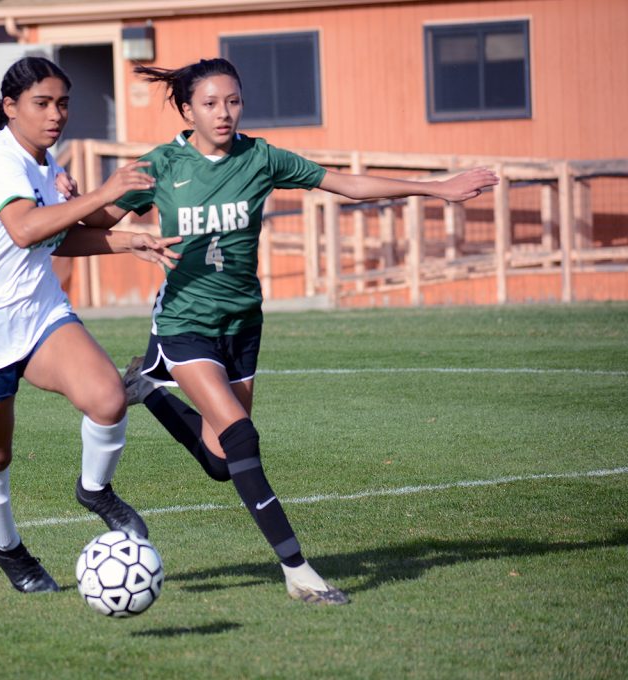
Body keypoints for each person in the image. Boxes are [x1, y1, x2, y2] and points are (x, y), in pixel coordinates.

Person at [67, 58, 499, 605]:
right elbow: (84, 231)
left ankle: (147, 388)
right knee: (242, 438)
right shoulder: (159, 166)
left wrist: (435, 188)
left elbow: (344, 182)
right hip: (183, 325)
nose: (223, 112)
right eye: (209, 103)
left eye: (232, 101)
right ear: (185, 109)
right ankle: (297, 571)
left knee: (223, 463)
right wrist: (83, 202)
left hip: (243, 325)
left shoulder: (261, 156)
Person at [0, 56, 181, 594]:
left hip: (41, 313)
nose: (56, 114)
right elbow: (26, 229)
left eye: (63, 103)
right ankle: (6, 547)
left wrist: (126, 239)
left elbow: (60, 236)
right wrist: (105, 191)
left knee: (108, 399)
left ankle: (95, 490)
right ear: (10, 108)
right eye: (42, 104)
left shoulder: (46, 162)